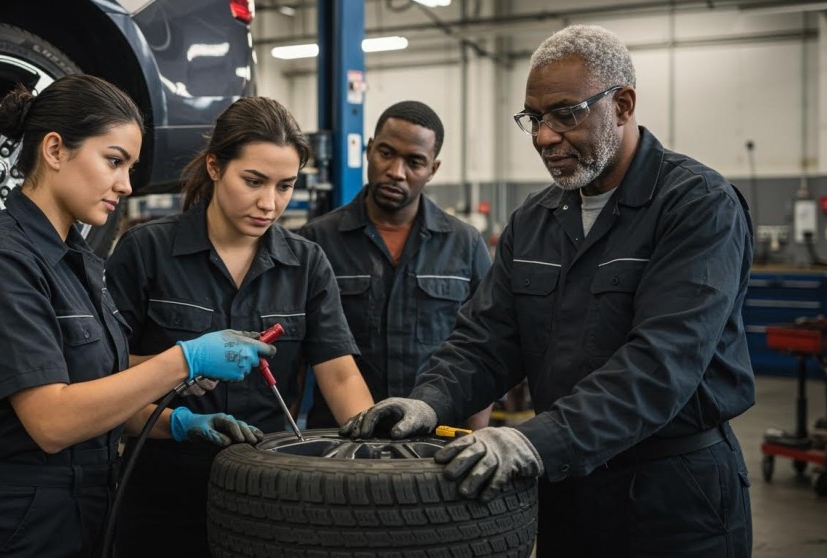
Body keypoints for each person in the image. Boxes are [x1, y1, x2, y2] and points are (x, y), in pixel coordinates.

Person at [342, 25, 754, 557]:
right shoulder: (535, 219)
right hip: (567, 490)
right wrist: (430, 402)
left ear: (622, 104)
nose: (543, 137)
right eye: (534, 119)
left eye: (565, 114)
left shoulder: (697, 205)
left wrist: (533, 440)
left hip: (674, 498)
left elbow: (661, 365)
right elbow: (486, 340)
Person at [0, 74, 276, 558]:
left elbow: (94, 388)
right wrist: (183, 360)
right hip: (10, 521)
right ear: (54, 149)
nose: (126, 184)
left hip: (80, 506)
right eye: (114, 161)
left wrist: (174, 422)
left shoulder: (75, 260)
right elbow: (53, 421)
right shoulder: (2, 263)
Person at [104, 96, 375, 557]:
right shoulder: (145, 251)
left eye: (285, 186)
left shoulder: (305, 263)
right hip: (159, 488)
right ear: (214, 166)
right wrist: (180, 410)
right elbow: (107, 377)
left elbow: (341, 374)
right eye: (253, 181)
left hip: (266, 492)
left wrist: (375, 462)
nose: (269, 203)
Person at [297, 101, 493, 430]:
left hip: (437, 440)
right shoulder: (317, 242)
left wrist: (473, 439)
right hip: (340, 441)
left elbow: (485, 352)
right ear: (370, 150)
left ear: (433, 169)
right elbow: (296, 360)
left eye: (414, 162)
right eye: (386, 153)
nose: (396, 172)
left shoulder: (466, 244)